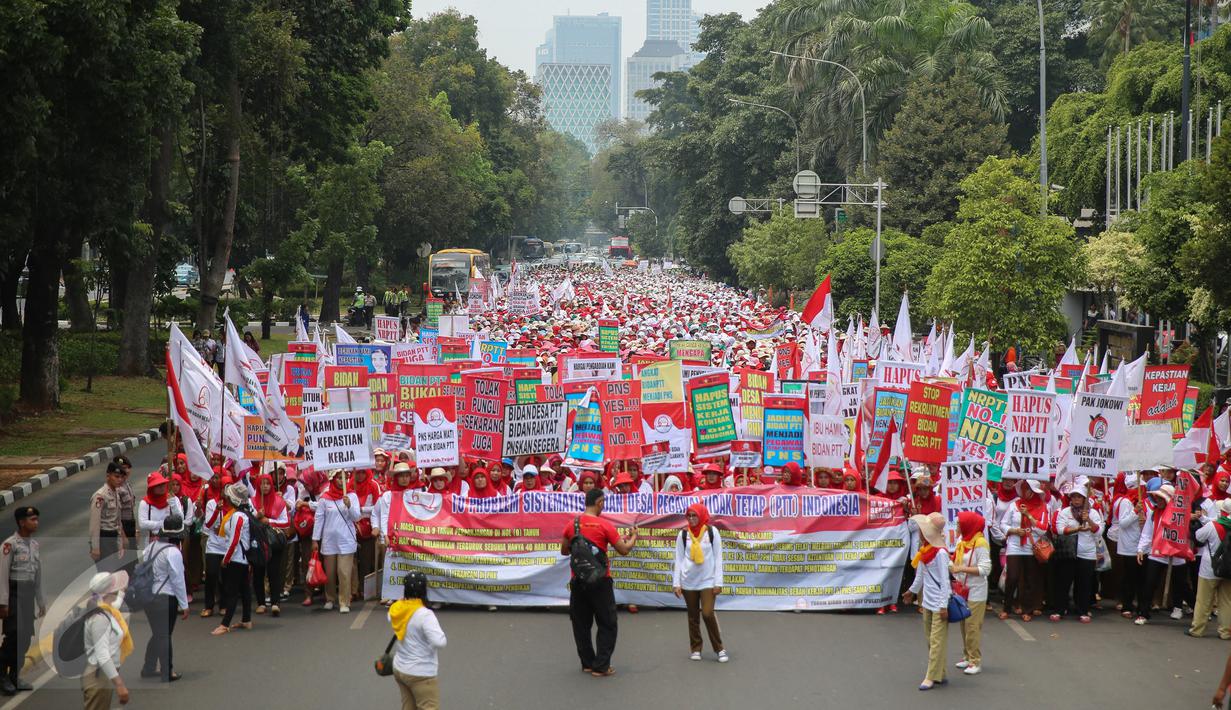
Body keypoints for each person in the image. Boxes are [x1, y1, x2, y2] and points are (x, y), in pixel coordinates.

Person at [560, 488, 637, 677]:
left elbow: (564, 551)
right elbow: (624, 550)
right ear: (600, 502)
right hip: (601, 581)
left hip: (578, 580)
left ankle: (587, 663)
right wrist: (633, 537)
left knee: (581, 624)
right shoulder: (604, 526)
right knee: (607, 622)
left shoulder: (572, 525)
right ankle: (601, 665)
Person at [671, 503, 727, 663]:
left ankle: (719, 648)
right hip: (688, 581)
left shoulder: (712, 532)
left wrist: (718, 582)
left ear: (702, 515)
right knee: (693, 616)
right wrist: (677, 583)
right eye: (689, 516)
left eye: (694, 515)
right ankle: (696, 648)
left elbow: (718, 558)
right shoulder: (683, 535)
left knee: (708, 613)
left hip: (708, 580)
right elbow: (679, 559)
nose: (691, 519)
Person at [902, 512, 951, 691]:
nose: (921, 532)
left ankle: (930, 676)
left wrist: (944, 605)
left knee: (937, 641)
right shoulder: (925, 550)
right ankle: (940, 672)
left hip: (939, 603)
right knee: (930, 640)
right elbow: (920, 575)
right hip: (927, 602)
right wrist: (911, 592)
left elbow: (945, 581)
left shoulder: (940, 554)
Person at [0, 506, 43, 695]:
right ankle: (2, 675)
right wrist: (3, 603)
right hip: (14, 594)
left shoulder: (34, 545)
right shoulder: (10, 545)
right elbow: (2, 575)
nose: (36, 522)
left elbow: (38, 575)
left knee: (25, 638)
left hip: (28, 595)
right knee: (14, 634)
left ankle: (14, 676)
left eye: (36, 519)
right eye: (32, 519)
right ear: (21, 522)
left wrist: (41, 600)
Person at [388, 571, 446, 710]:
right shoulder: (424, 615)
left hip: (400, 669)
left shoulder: (396, 609)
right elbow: (440, 641)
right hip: (421, 673)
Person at [140, 514, 188, 682]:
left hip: (149, 597)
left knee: (158, 633)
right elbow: (178, 580)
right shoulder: (173, 552)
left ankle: (149, 667)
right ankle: (167, 672)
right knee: (164, 635)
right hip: (165, 598)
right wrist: (184, 604)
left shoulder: (150, 548)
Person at [996, 479, 1049, 621]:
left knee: (1029, 579)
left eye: (1030, 490)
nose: (1027, 493)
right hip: (1014, 545)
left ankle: (1027, 609)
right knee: (1012, 576)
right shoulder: (1014, 505)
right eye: (1025, 489)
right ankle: (1007, 607)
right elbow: (1003, 524)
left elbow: (1043, 529)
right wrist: (1013, 530)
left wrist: (1029, 517)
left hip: (1031, 546)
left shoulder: (1042, 507)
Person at [1050, 484, 1103, 623]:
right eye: (1073, 496)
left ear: (1085, 498)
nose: (1076, 499)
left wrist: (1089, 520)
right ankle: (1059, 609)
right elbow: (1060, 529)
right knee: (1063, 582)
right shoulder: (1065, 512)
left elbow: (1099, 532)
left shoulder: (1094, 513)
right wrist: (1076, 529)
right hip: (1068, 552)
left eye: (1079, 496)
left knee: (1084, 583)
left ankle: (1083, 610)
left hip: (1087, 553)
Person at [82, 571, 132, 709]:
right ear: (108, 591)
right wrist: (120, 684)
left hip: (103, 676)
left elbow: (115, 605)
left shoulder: (105, 608)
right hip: (98, 679)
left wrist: (121, 593)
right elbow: (102, 655)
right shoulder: (100, 619)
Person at [312, 471, 361, 613]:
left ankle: (344, 601)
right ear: (333, 479)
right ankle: (330, 598)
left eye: (345, 478)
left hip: (346, 540)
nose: (342, 481)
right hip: (329, 541)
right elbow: (319, 519)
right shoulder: (324, 498)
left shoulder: (352, 496)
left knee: (344, 572)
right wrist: (315, 539)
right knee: (330, 573)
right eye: (339, 478)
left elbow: (356, 517)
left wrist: (350, 505)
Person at [951, 511, 991, 676]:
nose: (957, 526)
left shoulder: (980, 543)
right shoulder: (962, 541)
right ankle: (967, 656)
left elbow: (985, 569)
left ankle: (975, 660)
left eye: (960, 524)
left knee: (972, 626)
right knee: (963, 624)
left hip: (976, 590)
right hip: (962, 589)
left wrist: (961, 568)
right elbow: (956, 562)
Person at [213, 483, 252, 635]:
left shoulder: (237, 516)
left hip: (236, 559)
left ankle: (225, 624)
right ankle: (246, 619)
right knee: (244, 589)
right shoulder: (244, 514)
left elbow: (234, 540)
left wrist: (226, 559)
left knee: (232, 591)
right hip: (242, 559)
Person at [1190, 498, 1231, 638]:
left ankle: (1197, 629)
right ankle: (1225, 632)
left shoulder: (1213, 525)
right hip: (1228, 569)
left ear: (1222, 511)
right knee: (1226, 602)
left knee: (1203, 600)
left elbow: (1198, 537)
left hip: (1210, 567)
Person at [251, 471, 290, 616]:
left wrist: (269, 521)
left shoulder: (280, 502)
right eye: (262, 483)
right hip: (258, 541)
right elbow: (247, 519)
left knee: (274, 572)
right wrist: (257, 516)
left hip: (274, 541)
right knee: (258, 572)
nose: (265, 486)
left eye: (268, 483)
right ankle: (261, 602)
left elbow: (286, 522)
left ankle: (275, 602)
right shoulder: (252, 501)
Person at [89, 463, 128, 571]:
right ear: (108, 476)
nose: (119, 480)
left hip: (114, 537)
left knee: (115, 573)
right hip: (103, 539)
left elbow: (117, 521)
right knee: (106, 575)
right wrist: (95, 547)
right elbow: (94, 524)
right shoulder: (100, 496)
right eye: (116, 476)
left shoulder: (116, 493)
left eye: (121, 477)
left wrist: (121, 540)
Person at [136, 471, 182, 551]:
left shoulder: (173, 499)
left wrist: (173, 504)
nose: (161, 487)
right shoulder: (145, 503)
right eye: (157, 485)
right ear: (151, 488)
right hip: (153, 541)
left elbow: (180, 519)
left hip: (172, 540)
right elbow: (142, 523)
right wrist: (163, 524)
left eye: (163, 484)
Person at [113, 457, 137, 551]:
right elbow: (116, 516)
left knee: (133, 561)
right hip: (122, 528)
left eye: (127, 468)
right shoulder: (117, 489)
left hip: (130, 525)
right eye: (123, 468)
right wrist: (123, 536)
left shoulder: (127, 485)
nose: (126, 471)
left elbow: (130, 509)